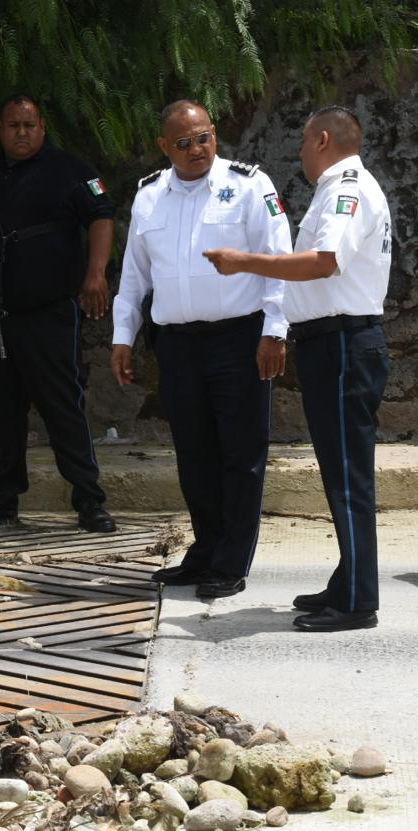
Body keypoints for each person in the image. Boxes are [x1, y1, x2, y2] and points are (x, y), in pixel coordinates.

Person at [204, 106, 391, 631]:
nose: (301, 154)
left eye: (305, 143)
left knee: (348, 478)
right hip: (333, 343)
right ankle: (347, 578)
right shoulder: (341, 187)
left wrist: (244, 262)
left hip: (343, 345)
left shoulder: (345, 187)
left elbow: (322, 261)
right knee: (339, 472)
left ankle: (357, 600)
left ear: (323, 139)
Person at [112, 99, 291, 599]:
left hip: (239, 339)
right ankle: (206, 551)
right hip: (178, 345)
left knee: (241, 454)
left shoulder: (250, 185)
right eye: (185, 142)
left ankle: (232, 562)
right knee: (195, 454)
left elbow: (277, 261)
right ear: (165, 146)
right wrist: (122, 338)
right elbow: (134, 276)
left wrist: (275, 330)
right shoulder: (149, 196)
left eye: (205, 136)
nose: (198, 149)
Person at [0, 94, 116, 533]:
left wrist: (96, 274)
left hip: (49, 313)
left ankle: (89, 499)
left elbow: (100, 217)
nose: (22, 133)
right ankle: (2, 498)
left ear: (42, 128)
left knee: (62, 406)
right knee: (4, 408)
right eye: (13, 125)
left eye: (30, 125)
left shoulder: (70, 170)